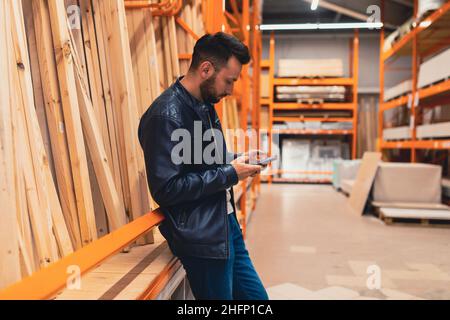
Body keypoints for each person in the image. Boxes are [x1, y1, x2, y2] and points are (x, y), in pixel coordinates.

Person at [138, 32, 269, 300]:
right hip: (202, 237)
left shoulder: (204, 105)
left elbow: (205, 160)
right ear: (206, 69)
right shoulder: (166, 116)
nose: (231, 90)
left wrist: (239, 160)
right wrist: (230, 173)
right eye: (229, 81)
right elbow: (167, 188)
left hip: (224, 223)